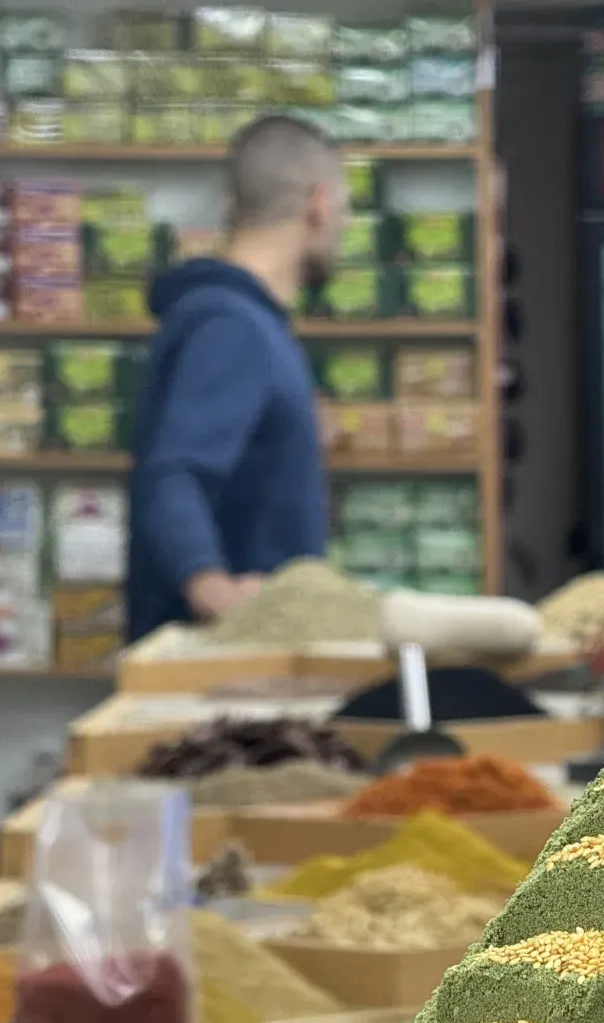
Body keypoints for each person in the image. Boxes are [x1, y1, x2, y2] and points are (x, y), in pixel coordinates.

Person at [127, 115, 347, 641]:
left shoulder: (244, 321)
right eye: (346, 207)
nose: (347, 225)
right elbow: (173, 472)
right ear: (318, 203)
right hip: (223, 664)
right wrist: (214, 592)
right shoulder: (232, 324)